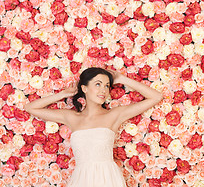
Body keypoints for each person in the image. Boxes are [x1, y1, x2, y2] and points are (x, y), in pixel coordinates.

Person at [25, 67, 163, 187]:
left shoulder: (114, 115)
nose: (103, 90)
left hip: (108, 178)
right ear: (84, 88)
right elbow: (30, 107)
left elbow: (156, 97)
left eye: (107, 86)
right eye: (98, 84)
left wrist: (122, 79)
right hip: (81, 179)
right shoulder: (72, 117)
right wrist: (63, 94)